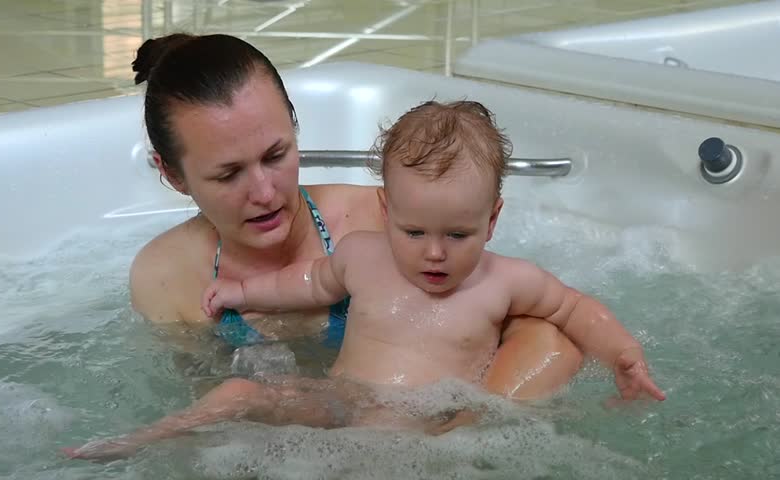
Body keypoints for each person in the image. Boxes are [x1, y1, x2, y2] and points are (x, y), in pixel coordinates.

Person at [64, 100, 663, 461]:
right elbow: (305, 283)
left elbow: (575, 310)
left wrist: (623, 353)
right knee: (241, 395)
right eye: (412, 232)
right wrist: (243, 294)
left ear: (493, 219)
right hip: (341, 403)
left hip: (434, 423)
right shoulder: (365, 256)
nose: (433, 253)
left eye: (457, 235)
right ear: (387, 210)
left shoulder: (506, 280)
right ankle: (143, 442)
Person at [125, 32, 583, 396]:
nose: (264, 192)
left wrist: (463, 431)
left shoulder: (386, 224)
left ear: (296, 128)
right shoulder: (166, 278)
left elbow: (549, 341)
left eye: (276, 155)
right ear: (174, 175)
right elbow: (203, 421)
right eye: (228, 175)